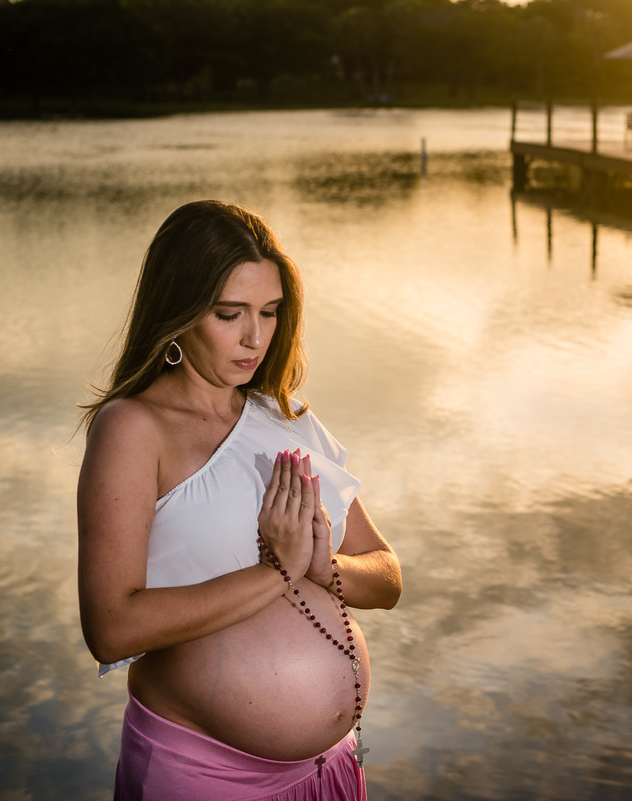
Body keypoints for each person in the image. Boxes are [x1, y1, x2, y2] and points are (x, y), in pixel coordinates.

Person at [77, 199, 401, 800]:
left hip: (330, 769)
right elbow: (111, 628)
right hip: (207, 777)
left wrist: (319, 566)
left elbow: (386, 578)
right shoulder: (134, 428)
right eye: (230, 314)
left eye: (270, 313)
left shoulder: (287, 416)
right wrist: (275, 571)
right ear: (178, 311)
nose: (255, 339)